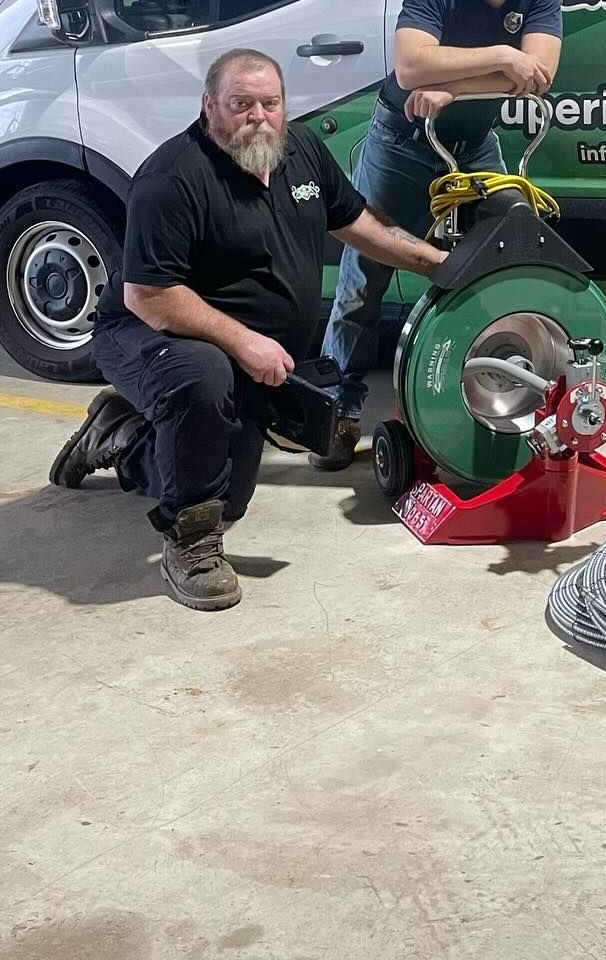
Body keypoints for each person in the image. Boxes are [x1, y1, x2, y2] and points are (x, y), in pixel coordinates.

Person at [48, 49, 449, 612]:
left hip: (249, 354)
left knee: (229, 499)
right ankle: (190, 547)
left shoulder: (301, 150)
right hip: (146, 332)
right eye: (241, 104)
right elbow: (149, 295)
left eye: (270, 103)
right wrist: (242, 341)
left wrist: (438, 263)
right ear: (209, 107)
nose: (258, 116)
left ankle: (120, 433)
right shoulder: (173, 176)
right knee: (202, 381)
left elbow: (360, 223)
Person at [314, 0, 562, 469]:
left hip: (474, 144)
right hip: (401, 143)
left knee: (509, 255)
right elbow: (410, 67)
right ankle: (335, 410)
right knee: (362, 281)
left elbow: (538, 76)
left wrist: (453, 86)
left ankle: (493, 398)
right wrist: (501, 54)